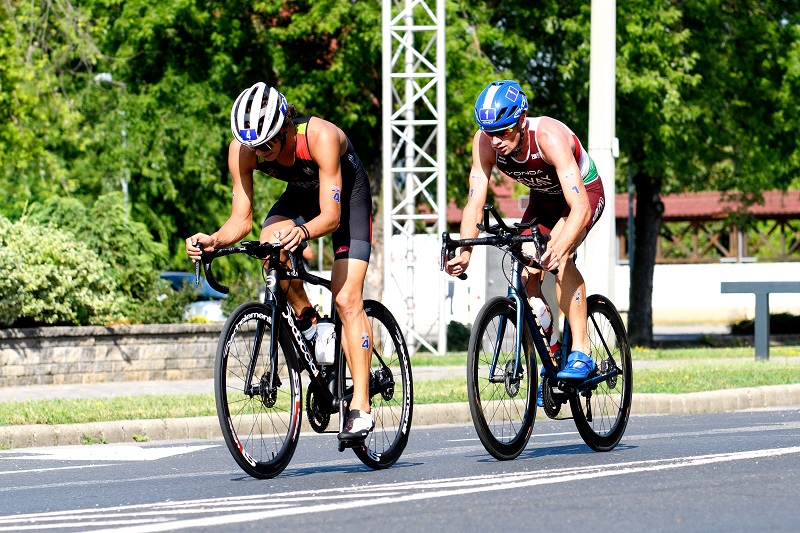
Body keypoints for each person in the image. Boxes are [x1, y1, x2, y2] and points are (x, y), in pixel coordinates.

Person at [186, 82, 375, 442]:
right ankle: (309, 323)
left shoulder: (319, 136)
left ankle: (361, 409)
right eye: (255, 146)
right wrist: (211, 240)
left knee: (346, 298)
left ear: (287, 124)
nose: (262, 152)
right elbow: (241, 220)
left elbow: (331, 216)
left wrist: (303, 234)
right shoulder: (242, 150)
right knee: (268, 248)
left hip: (345, 198)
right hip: (301, 195)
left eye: (268, 143)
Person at [444, 79, 606, 401]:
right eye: (490, 132)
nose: (496, 140)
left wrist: (560, 248)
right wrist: (465, 251)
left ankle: (582, 350)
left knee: (560, 260)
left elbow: (580, 208)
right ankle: (553, 354)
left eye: (504, 131)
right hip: (543, 201)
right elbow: (474, 203)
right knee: (527, 278)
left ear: (521, 119)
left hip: (582, 196)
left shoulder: (548, 137)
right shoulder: (485, 142)